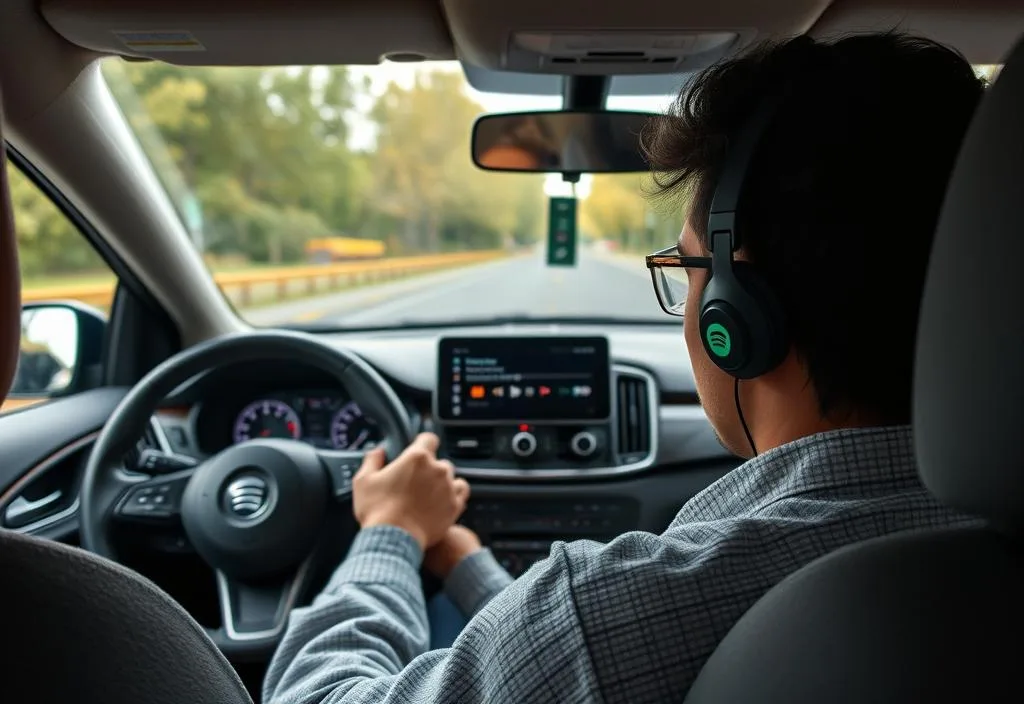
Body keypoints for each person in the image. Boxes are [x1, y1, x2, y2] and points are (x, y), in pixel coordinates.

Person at [263, 33, 986, 703]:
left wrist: (388, 530)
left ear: (736, 315)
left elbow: (319, 694)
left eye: (687, 266)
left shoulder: (608, 609)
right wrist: (460, 560)